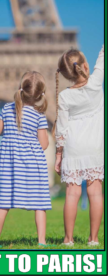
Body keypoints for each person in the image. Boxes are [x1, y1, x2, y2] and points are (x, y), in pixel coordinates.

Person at [0, 71, 52, 248]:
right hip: (32, 165)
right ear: (40, 94)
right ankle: (41, 242)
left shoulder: (7, 109)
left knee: (3, 204)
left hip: (9, 165)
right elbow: (44, 144)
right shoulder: (39, 115)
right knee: (40, 203)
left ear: (21, 89)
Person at [54, 45, 104, 246]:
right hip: (94, 147)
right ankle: (94, 238)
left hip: (73, 147)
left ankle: (68, 238)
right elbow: (103, 54)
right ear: (85, 65)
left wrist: (59, 155)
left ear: (66, 75)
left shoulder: (65, 96)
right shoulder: (96, 83)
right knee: (95, 193)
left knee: (72, 194)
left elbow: (62, 128)